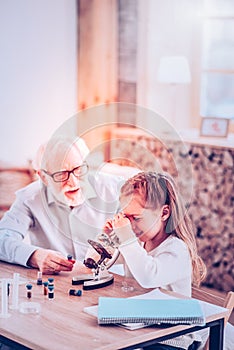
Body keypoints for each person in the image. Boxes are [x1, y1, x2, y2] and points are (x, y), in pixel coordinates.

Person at [103, 171, 207, 350]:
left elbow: (148, 276)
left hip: (171, 338)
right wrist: (106, 241)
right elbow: (103, 265)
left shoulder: (177, 249)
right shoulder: (137, 244)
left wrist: (126, 239)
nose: (131, 226)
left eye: (136, 218)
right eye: (126, 218)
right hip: (139, 329)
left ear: (164, 213)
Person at [0, 136, 122, 274]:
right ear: (43, 177)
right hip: (57, 283)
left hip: (112, 279)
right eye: (61, 174)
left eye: (78, 169)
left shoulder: (115, 189)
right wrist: (34, 256)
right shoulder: (29, 198)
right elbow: (2, 239)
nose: (73, 182)